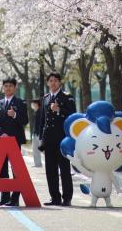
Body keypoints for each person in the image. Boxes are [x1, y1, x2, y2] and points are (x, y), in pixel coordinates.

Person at [40, 72, 76, 206]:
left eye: (55, 80)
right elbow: (43, 120)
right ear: (48, 83)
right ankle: (55, 197)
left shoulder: (67, 97)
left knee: (64, 169)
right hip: (49, 139)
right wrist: (41, 137)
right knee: (50, 170)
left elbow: (73, 115)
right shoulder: (45, 98)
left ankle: (67, 197)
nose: (53, 83)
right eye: (50, 81)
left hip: (62, 138)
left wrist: (59, 109)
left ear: (60, 82)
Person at [0, 77, 28, 207]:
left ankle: (15, 198)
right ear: (2, 88)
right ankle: (4, 197)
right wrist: (2, 133)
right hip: (2, 140)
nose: (8, 88)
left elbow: (25, 121)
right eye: (6, 86)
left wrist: (15, 115)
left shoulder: (20, 103)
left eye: (10, 86)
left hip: (15, 140)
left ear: (15, 88)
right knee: (2, 169)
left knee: (16, 169)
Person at [31, 99, 43, 168]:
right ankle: (37, 164)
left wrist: (39, 133)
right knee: (35, 149)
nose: (32, 105)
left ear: (36, 104)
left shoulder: (40, 112)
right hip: (35, 133)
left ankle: (53, 163)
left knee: (42, 149)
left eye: (33, 104)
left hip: (39, 134)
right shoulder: (35, 112)